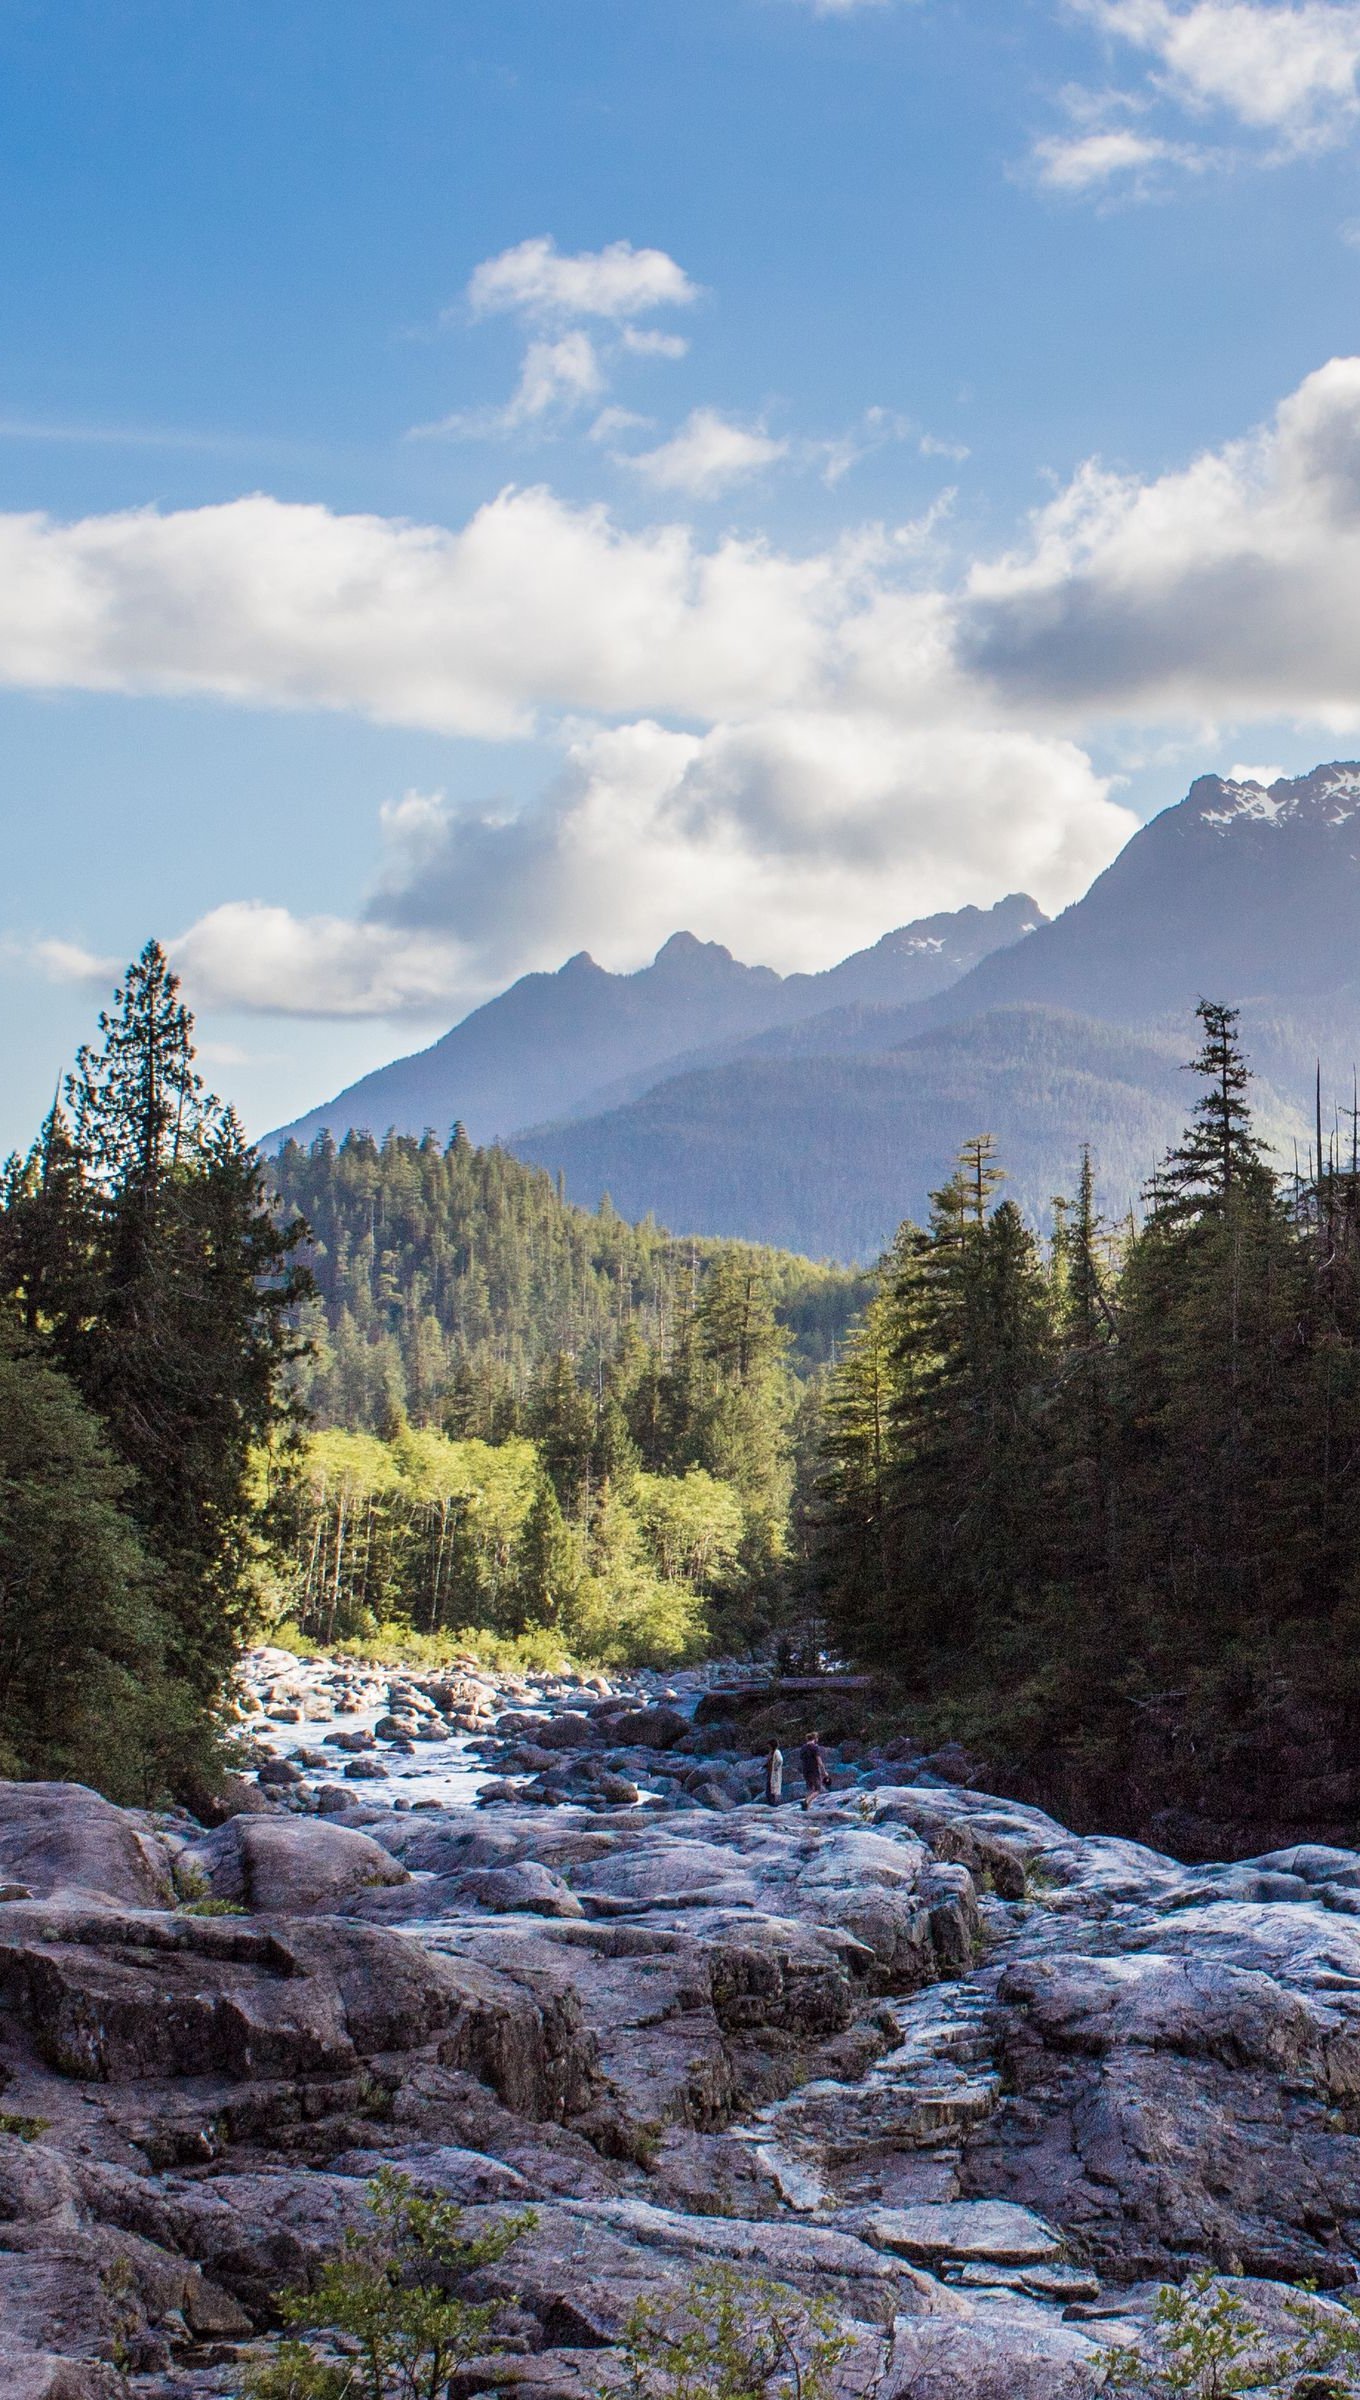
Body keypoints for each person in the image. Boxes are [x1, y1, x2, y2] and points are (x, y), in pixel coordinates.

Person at [799, 1729, 829, 1811]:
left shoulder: (803, 1748)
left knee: (810, 1788)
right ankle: (806, 1801)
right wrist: (824, 1772)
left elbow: (801, 1759)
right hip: (814, 1770)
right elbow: (819, 1760)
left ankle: (806, 1808)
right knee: (817, 1790)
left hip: (805, 1770)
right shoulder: (815, 1747)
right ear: (815, 1738)